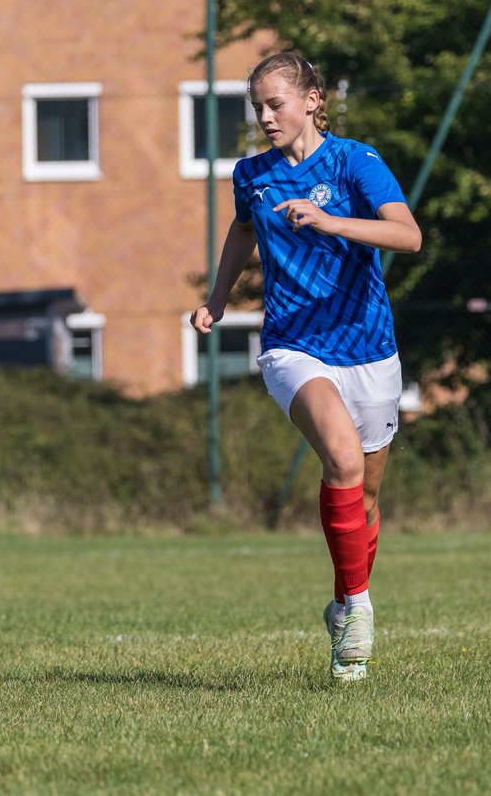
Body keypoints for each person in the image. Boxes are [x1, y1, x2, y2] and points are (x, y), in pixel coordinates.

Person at [189, 51, 422, 681]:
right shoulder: (253, 174)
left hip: (370, 347)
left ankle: (345, 599)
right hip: (294, 345)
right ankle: (359, 611)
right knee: (342, 460)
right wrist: (216, 301)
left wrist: (330, 221)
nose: (265, 117)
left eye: (276, 103)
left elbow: (408, 235)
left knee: (367, 494)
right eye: (256, 108)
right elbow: (243, 232)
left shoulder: (355, 161)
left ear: (313, 99)